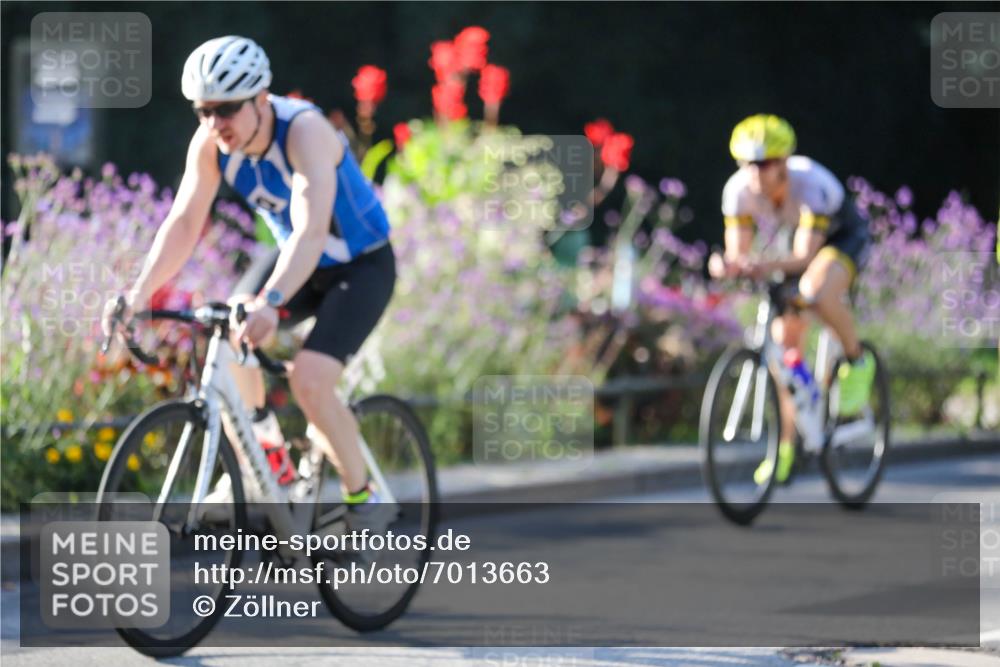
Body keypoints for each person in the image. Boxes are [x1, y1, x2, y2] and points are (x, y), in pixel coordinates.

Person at [102, 36, 396, 533]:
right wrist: (137, 294)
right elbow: (184, 221)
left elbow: (311, 230)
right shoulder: (212, 144)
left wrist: (273, 303)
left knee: (310, 380)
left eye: (226, 110)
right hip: (297, 260)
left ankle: (365, 497)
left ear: (262, 99)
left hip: (359, 267)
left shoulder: (305, 132)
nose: (215, 124)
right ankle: (269, 460)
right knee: (232, 321)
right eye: (202, 112)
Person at [708, 114, 875, 483]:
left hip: (840, 238)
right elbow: (739, 254)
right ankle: (785, 448)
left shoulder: (810, 182)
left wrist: (758, 264)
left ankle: (857, 361)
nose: (756, 172)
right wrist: (726, 264)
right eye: (748, 164)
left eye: (765, 163)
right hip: (794, 243)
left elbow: (804, 257)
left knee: (816, 290)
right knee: (784, 351)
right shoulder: (737, 192)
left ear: (783, 162)